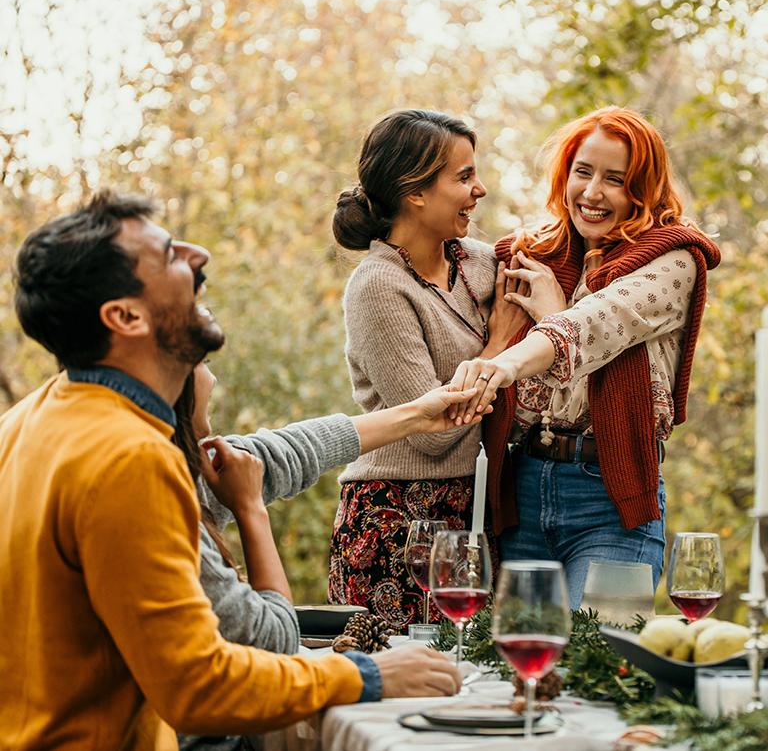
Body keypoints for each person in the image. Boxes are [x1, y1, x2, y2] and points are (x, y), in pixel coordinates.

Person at [0, 191, 461, 751]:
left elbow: (266, 458)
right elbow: (197, 685)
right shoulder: (128, 459)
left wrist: (414, 415)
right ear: (125, 316)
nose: (198, 255)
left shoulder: (35, 419)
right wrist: (368, 675)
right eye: (169, 254)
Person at [449, 106, 722, 608]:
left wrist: (516, 353)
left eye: (615, 180)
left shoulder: (673, 261)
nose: (592, 193)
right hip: (521, 492)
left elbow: (595, 322)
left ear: (643, 189)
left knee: (599, 649)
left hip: (612, 499)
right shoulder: (532, 253)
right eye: (583, 172)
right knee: (519, 651)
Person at [174, 364, 485, 751]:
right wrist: (251, 509)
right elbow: (273, 647)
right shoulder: (161, 497)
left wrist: (414, 416)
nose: (213, 377)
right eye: (202, 361)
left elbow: (289, 452)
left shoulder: (174, 465)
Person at [328, 109, 527, 628]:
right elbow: (431, 433)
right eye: (464, 177)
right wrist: (498, 343)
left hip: (473, 510)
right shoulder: (378, 286)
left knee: (467, 667)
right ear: (415, 191)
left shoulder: (478, 263)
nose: (479, 189)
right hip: (394, 518)